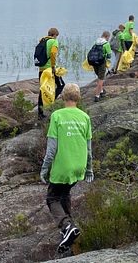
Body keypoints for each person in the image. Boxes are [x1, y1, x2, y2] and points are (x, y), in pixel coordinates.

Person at [39, 83, 93, 253]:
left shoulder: (57, 116)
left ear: (63, 97)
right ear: (78, 98)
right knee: (65, 193)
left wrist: (45, 168)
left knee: (52, 198)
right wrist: (89, 169)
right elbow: (89, 147)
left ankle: (66, 226)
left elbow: (52, 148)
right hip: (79, 166)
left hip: (63, 165)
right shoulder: (85, 117)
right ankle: (70, 232)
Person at [37, 28, 65, 119]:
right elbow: (53, 53)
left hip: (41, 69)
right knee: (61, 85)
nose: (57, 38)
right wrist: (53, 66)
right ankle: (51, 101)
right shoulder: (54, 42)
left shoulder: (42, 40)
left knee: (42, 89)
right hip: (49, 69)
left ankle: (40, 113)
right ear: (55, 35)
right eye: (57, 36)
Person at [89, 31, 113, 102]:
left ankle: (102, 91)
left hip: (94, 62)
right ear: (107, 36)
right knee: (101, 80)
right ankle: (97, 96)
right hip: (101, 63)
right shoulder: (106, 44)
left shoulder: (96, 42)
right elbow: (109, 56)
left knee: (99, 77)